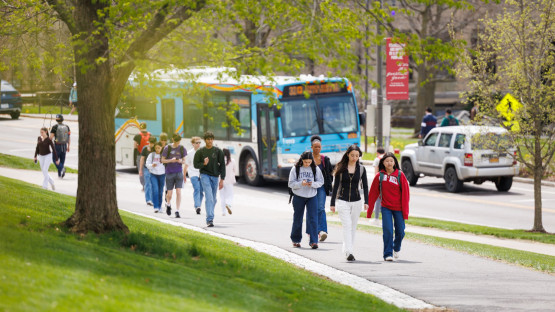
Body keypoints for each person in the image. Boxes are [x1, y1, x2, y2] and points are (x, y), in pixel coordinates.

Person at [367, 152, 410, 261]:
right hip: (386, 207)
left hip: (399, 208)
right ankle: (387, 254)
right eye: (387, 161)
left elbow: (406, 195)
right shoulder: (379, 176)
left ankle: (396, 247)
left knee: (400, 231)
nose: (389, 163)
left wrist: (405, 212)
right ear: (383, 163)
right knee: (388, 230)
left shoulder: (400, 175)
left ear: (395, 162)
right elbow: (372, 194)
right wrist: (369, 211)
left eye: (391, 161)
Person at [330, 145, 368, 261]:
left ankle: (346, 248)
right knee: (347, 225)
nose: (354, 158)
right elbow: (335, 186)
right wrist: (332, 203)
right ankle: (350, 252)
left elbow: (365, 186)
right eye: (352, 155)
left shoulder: (361, 169)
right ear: (348, 155)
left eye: (357, 156)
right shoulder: (341, 168)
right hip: (342, 201)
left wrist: (367, 201)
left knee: (353, 227)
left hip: (357, 201)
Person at [289, 151, 324, 249]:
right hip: (298, 196)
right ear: (302, 160)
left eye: (309, 162)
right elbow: (290, 184)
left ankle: (314, 241)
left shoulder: (315, 169)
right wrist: (301, 183)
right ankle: (295, 240)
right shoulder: (295, 169)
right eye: (305, 162)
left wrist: (312, 184)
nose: (307, 164)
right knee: (298, 218)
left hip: (312, 196)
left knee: (313, 218)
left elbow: (321, 182)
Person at [193, 131, 226, 227]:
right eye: (208, 139)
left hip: (215, 177)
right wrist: (203, 164)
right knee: (209, 197)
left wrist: (222, 179)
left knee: (213, 199)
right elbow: (195, 165)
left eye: (211, 139)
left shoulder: (218, 151)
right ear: (205, 140)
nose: (210, 141)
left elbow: (222, 165)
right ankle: (210, 219)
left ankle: (209, 212)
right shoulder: (200, 151)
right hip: (204, 175)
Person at [307, 135, 332, 242]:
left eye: (319, 147)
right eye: (315, 147)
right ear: (311, 147)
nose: (317, 149)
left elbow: (330, 173)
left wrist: (329, 185)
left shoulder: (324, 159)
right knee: (311, 209)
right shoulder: (307, 159)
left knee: (321, 208)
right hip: (309, 187)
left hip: (321, 187)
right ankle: (310, 231)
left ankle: (322, 231)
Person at [161, 133, 187, 218]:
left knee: (179, 192)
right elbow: (162, 160)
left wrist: (180, 161)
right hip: (169, 172)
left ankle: (177, 211)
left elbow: (184, 161)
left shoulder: (182, 148)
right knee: (169, 194)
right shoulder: (167, 148)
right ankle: (168, 204)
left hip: (179, 172)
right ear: (172, 139)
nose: (177, 143)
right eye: (176, 141)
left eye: (178, 141)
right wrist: (170, 160)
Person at [184, 136, 204, 215]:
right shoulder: (189, 153)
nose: (198, 144)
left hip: (201, 173)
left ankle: (198, 205)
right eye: (197, 143)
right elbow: (186, 165)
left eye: (199, 143)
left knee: (201, 191)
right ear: (193, 144)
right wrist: (184, 175)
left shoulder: (203, 152)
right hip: (193, 173)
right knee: (197, 189)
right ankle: (197, 206)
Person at [146, 142, 166, 213]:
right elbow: (147, 164)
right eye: (156, 148)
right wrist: (152, 165)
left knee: (160, 192)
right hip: (153, 174)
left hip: (162, 175)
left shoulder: (164, 155)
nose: (157, 149)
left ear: (161, 148)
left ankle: (160, 206)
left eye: (159, 148)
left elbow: (167, 163)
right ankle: (156, 207)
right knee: (155, 190)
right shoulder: (151, 155)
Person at [49, 114, 70, 179]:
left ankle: (62, 168)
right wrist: (68, 146)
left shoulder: (55, 127)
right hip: (64, 145)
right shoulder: (67, 127)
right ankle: (60, 175)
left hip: (57, 146)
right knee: (62, 160)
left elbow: (51, 138)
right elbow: (68, 137)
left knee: (55, 159)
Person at [140, 136, 156, 206]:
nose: (151, 144)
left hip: (155, 169)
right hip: (146, 168)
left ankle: (153, 200)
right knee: (148, 184)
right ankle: (148, 200)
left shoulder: (156, 148)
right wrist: (140, 169)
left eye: (152, 143)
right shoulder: (145, 148)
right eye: (150, 143)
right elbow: (142, 158)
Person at [134, 122, 151, 190]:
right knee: (149, 170)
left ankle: (144, 186)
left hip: (140, 155)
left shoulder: (137, 135)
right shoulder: (150, 134)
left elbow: (135, 146)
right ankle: (148, 184)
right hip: (148, 156)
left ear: (140, 127)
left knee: (141, 170)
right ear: (146, 127)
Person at [219, 148, 236, 216]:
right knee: (230, 195)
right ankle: (228, 204)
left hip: (221, 181)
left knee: (222, 196)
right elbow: (235, 170)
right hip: (229, 181)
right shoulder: (232, 161)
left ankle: (223, 212)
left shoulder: (219, 161)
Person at [371, 146, 385, 224]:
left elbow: (376, 173)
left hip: (380, 182)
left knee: (378, 200)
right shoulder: (388, 157)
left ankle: (376, 219)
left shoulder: (377, 159)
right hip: (388, 182)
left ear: (377, 153)